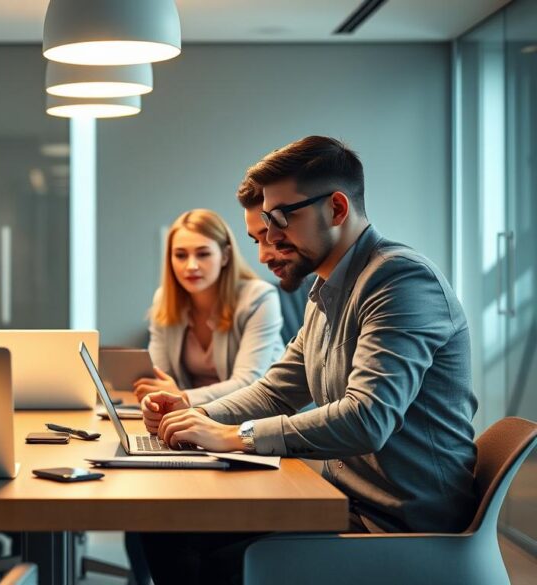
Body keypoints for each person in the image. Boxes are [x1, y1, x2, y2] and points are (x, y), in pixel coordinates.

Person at [140, 136, 479, 584]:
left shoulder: (400, 280)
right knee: (166, 530)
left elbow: (367, 418)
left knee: (206, 558)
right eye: (261, 228)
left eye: (280, 220)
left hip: (399, 528)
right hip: (343, 502)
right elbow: (277, 389)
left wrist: (234, 436)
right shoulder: (324, 290)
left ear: (337, 209)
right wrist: (195, 414)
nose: (268, 247)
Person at [134, 209, 283, 406]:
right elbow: (161, 378)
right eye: (180, 255)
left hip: (255, 418)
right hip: (192, 418)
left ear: (225, 256)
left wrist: (183, 397)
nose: (191, 266)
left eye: (203, 254)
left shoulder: (259, 297)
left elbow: (248, 384)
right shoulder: (165, 300)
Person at [236, 177, 315, 343]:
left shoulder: (377, 286)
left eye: (272, 237)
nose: (262, 257)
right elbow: (290, 367)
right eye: (257, 241)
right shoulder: (319, 298)